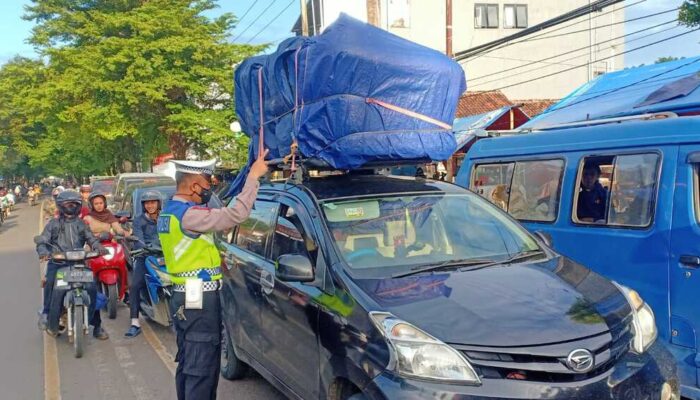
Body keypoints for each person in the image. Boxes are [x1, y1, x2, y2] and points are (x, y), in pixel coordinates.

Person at [158, 153, 268, 400]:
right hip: (198, 296)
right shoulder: (189, 215)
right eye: (207, 183)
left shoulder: (170, 211)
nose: (210, 188)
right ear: (193, 184)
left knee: (190, 361)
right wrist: (252, 178)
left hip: (184, 294)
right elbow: (233, 216)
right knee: (202, 365)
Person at [35, 191, 109, 339]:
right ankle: (48, 316)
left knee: (92, 288)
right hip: (58, 264)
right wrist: (43, 251)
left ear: (79, 206)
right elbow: (43, 240)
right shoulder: (53, 224)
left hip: (79, 263)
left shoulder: (81, 224)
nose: (71, 207)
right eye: (68, 204)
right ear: (61, 206)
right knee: (51, 284)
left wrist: (99, 247)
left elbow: (91, 239)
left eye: (74, 204)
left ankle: (97, 326)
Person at [125, 190, 163, 338]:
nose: (150, 205)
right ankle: (135, 322)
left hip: (165, 257)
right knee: (134, 286)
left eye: (153, 202)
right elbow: (138, 239)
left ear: (158, 203)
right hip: (144, 256)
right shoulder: (139, 220)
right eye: (147, 203)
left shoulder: (166, 218)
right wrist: (142, 248)